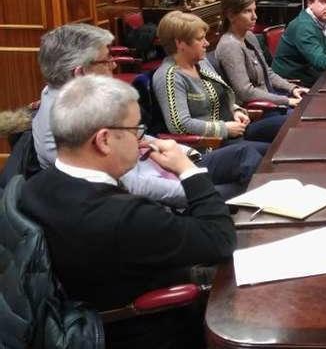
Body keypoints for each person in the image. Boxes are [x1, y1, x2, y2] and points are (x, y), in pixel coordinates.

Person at [20, 75, 236, 348]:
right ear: (104, 140)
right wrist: (188, 170)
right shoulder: (123, 217)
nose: (141, 140)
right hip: (154, 325)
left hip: (100, 296)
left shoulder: (34, 187)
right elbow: (221, 240)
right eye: (136, 130)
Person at [32, 24, 259, 205]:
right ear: (80, 72)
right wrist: (194, 185)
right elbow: (129, 186)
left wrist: (187, 154)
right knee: (249, 189)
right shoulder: (65, 124)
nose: (113, 66)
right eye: (106, 60)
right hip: (160, 192)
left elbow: (139, 136)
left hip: (167, 165)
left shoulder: (76, 97)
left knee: (247, 155)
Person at [153, 11, 283, 145]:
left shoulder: (201, 62)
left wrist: (235, 111)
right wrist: (224, 128)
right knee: (264, 152)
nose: (207, 43)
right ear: (180, 43)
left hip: (233, 130)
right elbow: (180, 125)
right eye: (200, 39)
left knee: (285, 124)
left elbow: (220, 98)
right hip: (210, 144)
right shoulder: (169, 76)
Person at [215, 0, 309, 107]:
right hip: (256, 110)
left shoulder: (249, 36)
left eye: (254, 10)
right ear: (231, 15)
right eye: (247, 11)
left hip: (270, 97)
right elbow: (245, 92)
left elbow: (267, 73)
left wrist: (292, 89)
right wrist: (286, 101)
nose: (254, 16)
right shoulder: (230, 46)